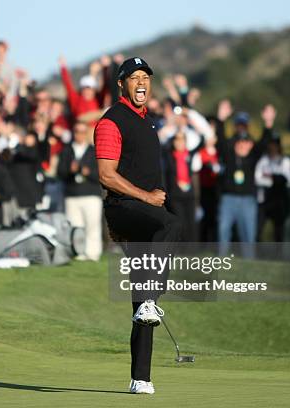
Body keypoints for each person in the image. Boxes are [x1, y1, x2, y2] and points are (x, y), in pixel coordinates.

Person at [94, 57, 182, 394]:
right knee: (172, 226)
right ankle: (149, 301)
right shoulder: (111, 122)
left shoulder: (146, 122)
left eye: (146, 77)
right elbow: (105, 174)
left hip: (145, 212)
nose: (142, 82)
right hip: (125, 209)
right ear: (121, 84)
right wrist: (146, 198)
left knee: (143, 302)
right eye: (135, 77)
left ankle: (140, 378)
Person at [215, 104, 274, 255]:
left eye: (246, 142)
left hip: (248, 199)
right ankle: (221, 262)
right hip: (229, 198)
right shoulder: (229, 153)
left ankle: (249, 263)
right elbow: (220, 140)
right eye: (240, 143)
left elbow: (265, 142)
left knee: (249, 235)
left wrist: (268, 122)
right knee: (223, 232)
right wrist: (221, 119)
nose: (243, 145)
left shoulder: (253, 156)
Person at [57, 122, 102, 261]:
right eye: (77, 131)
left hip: (91, 194)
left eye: (83, 132)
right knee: (76, 226)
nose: (80, 135)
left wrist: (87, 172)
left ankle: (93, 252)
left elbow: (102, 174)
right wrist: (70, 170)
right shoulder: (66, 151)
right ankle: (78, 252)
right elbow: (60, 173)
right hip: (72, 194)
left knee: (92, 225)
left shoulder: (94, 151)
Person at [255, 139, 290, 241]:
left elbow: (289, 180)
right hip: (265, 199)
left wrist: (270, 176)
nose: (273, 148)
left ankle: (278, 254)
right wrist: (274, 180)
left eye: (275, 145)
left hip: (279, 200)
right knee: (259, 227)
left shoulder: (285, 161)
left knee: (279, 230)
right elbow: (258, 179)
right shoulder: (264, 160)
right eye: (271, 145)